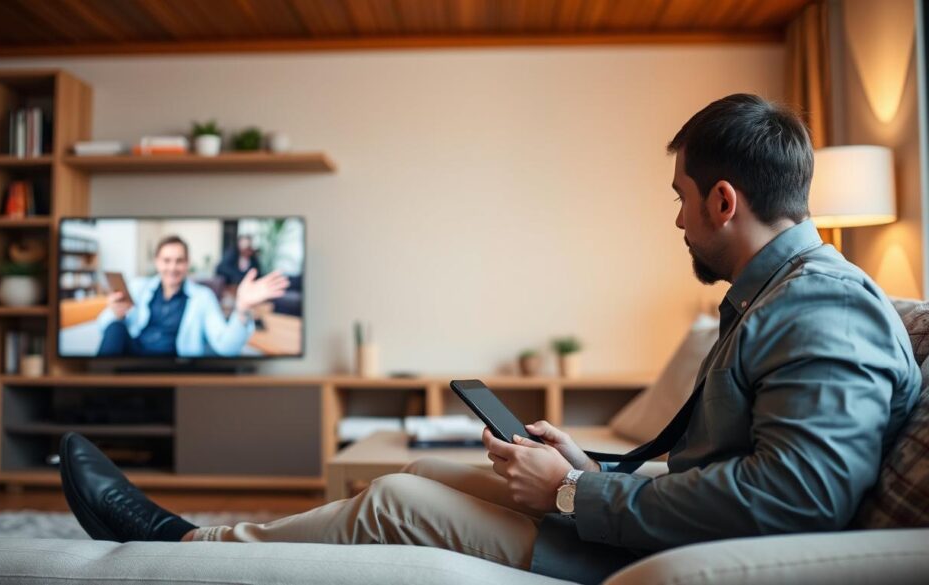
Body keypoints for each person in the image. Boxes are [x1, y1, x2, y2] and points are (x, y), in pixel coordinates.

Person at [61, 95, 920, 584]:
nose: (678, 219)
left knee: (398, 506)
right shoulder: (771, 295)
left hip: (691, 552)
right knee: (414, 471)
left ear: (724, 201)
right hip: (664, 518)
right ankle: (197, 540)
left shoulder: (823, 311)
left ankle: (176, 549)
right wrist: (586, 469)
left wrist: (581, 498)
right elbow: (733, 459)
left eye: (682, 197)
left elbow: (800, 501)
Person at [96, 235, 289, 357]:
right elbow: (102, 327)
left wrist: (242, 308)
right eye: (166, 261)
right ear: (157, 262)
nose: (172, 267)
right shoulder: (138, 286)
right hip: (135, 356)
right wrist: (114, 313)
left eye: (179, 261)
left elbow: (226, 347)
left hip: (174, 365)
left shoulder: (203, 297)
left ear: (187, 263)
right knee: (115, 328)